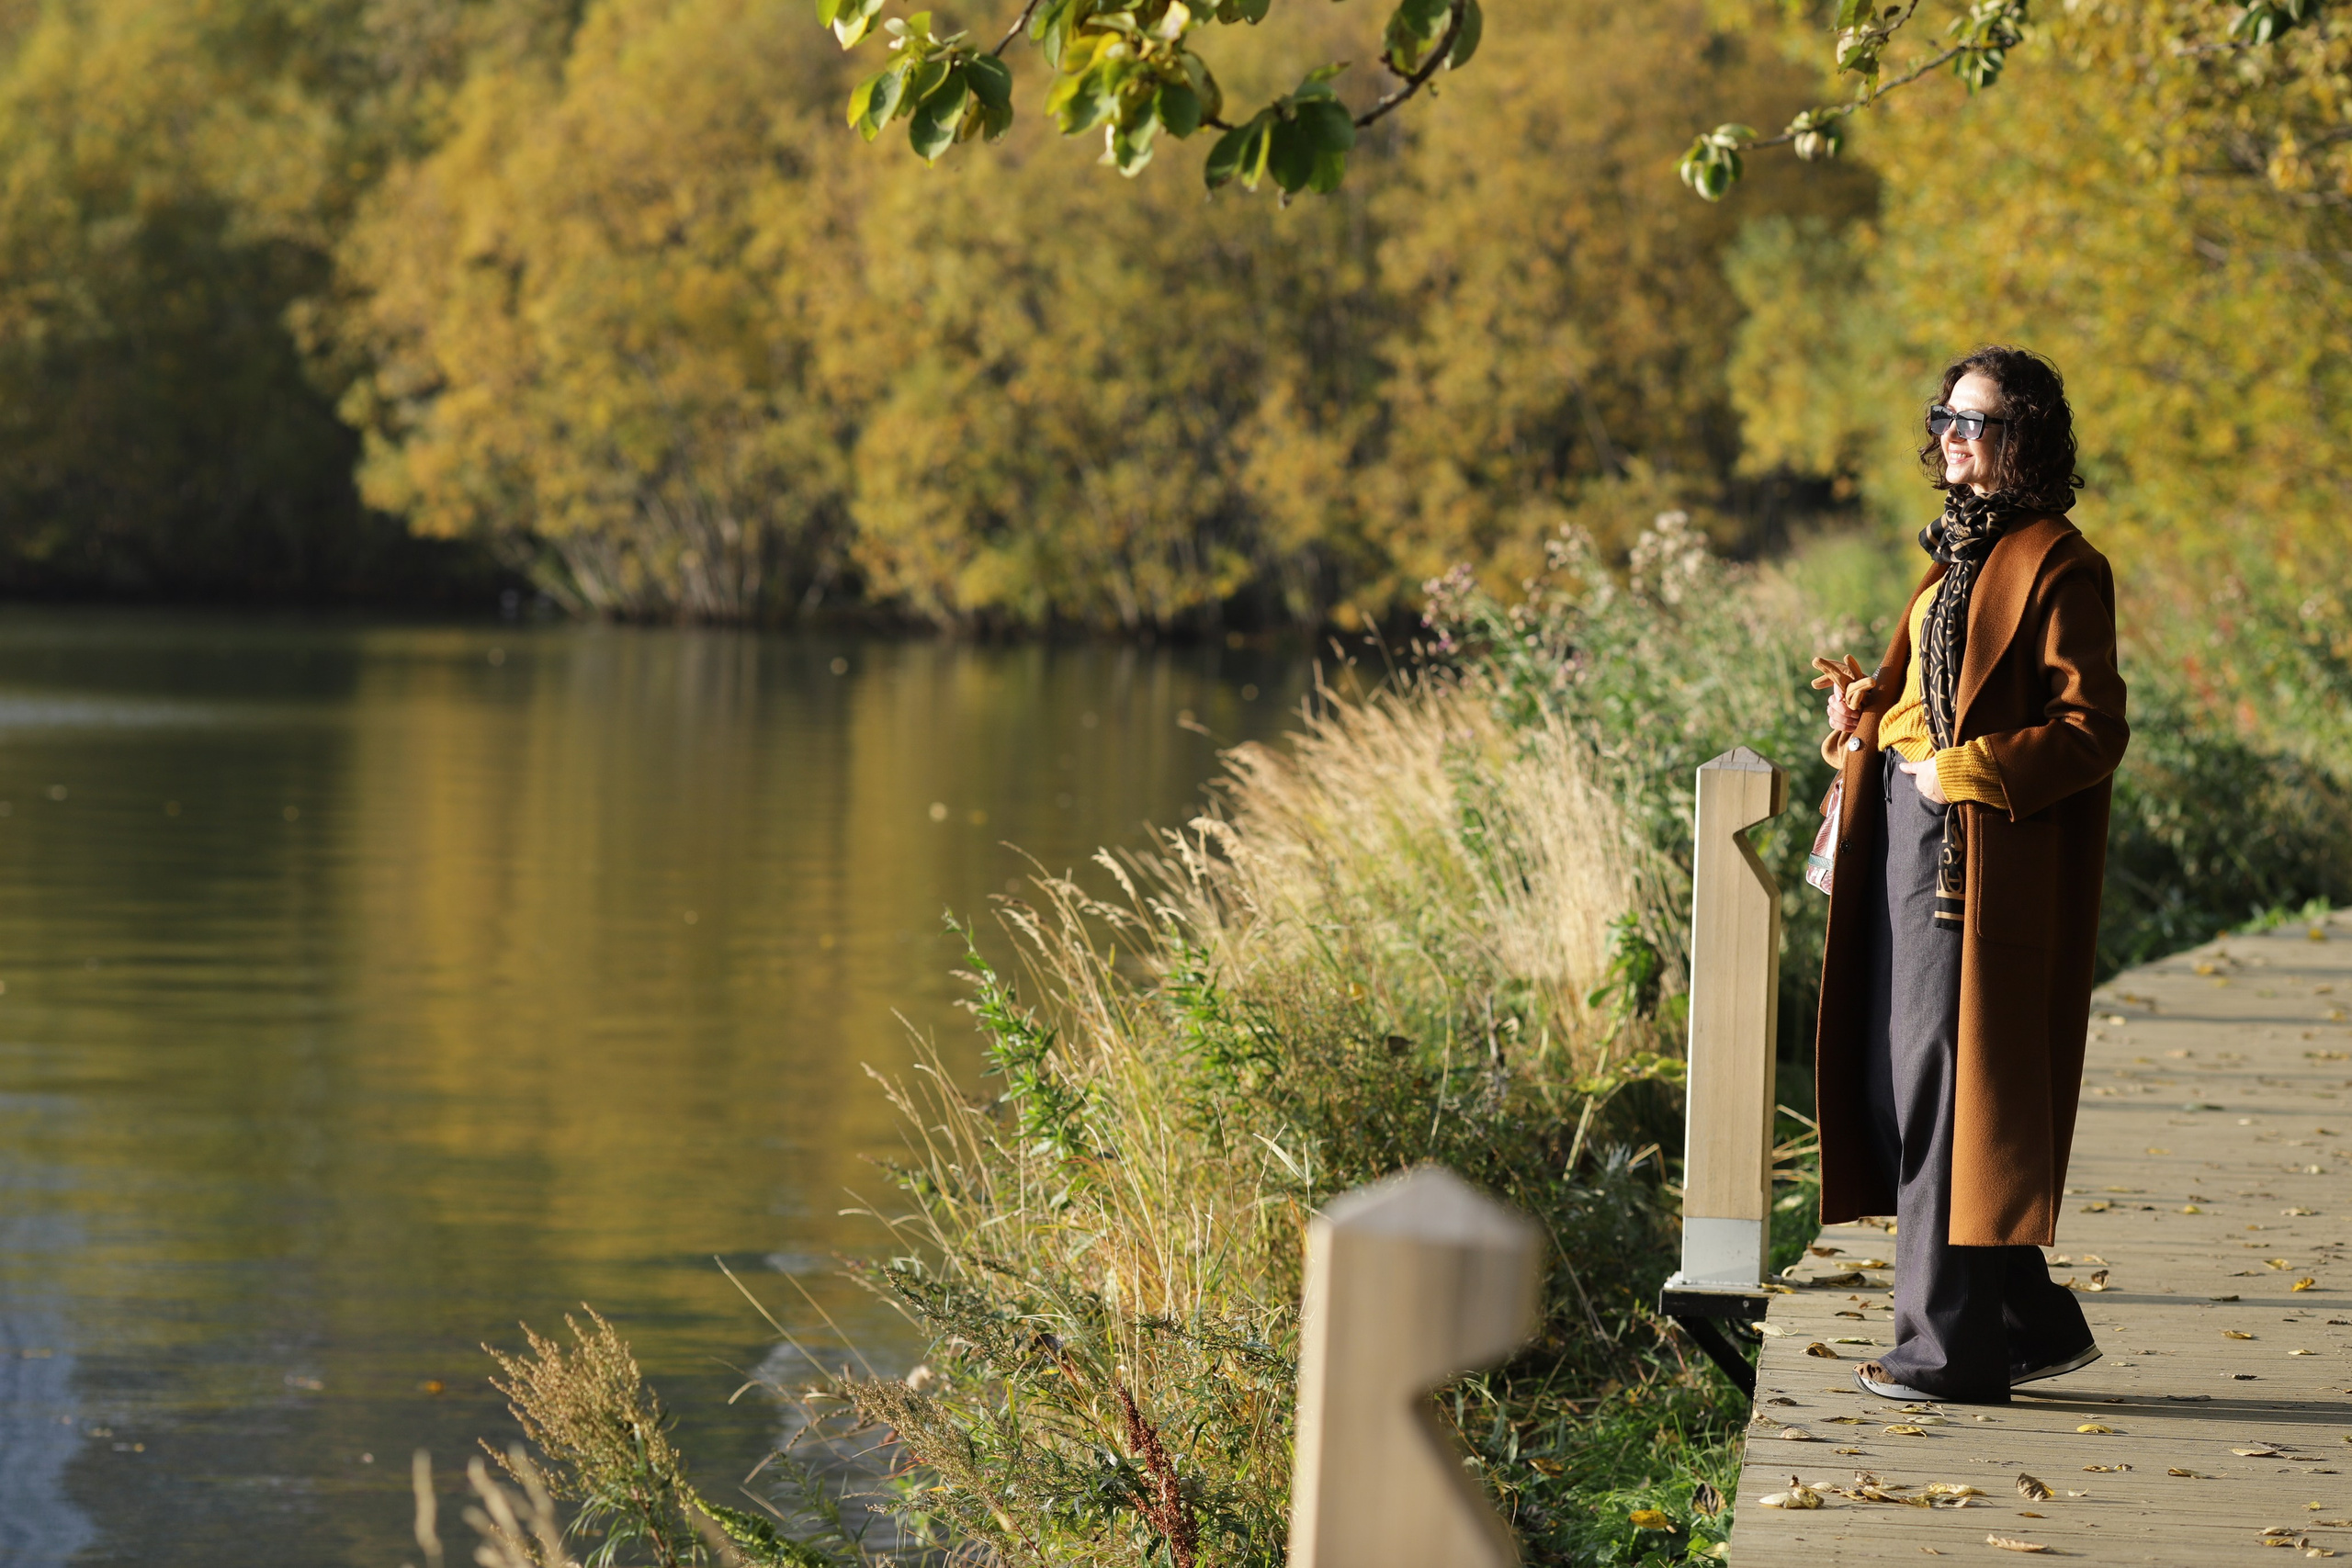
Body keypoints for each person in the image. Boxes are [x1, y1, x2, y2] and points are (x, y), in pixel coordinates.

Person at [1810, 346, 2129, 1404]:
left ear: (2024, 439)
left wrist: (1968, 772)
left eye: (1976, 420)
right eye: (1945, 414)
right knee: (1913, 1086)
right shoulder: (1951, 557)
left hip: (1971, 860)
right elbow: (1924, 692)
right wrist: (1866, 711)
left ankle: (1945, 1355)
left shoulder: (2057, 562)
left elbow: (2090, 731)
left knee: (1941, 1091)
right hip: (1903, 837)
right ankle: (2029, 1322)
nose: (1950, 433)